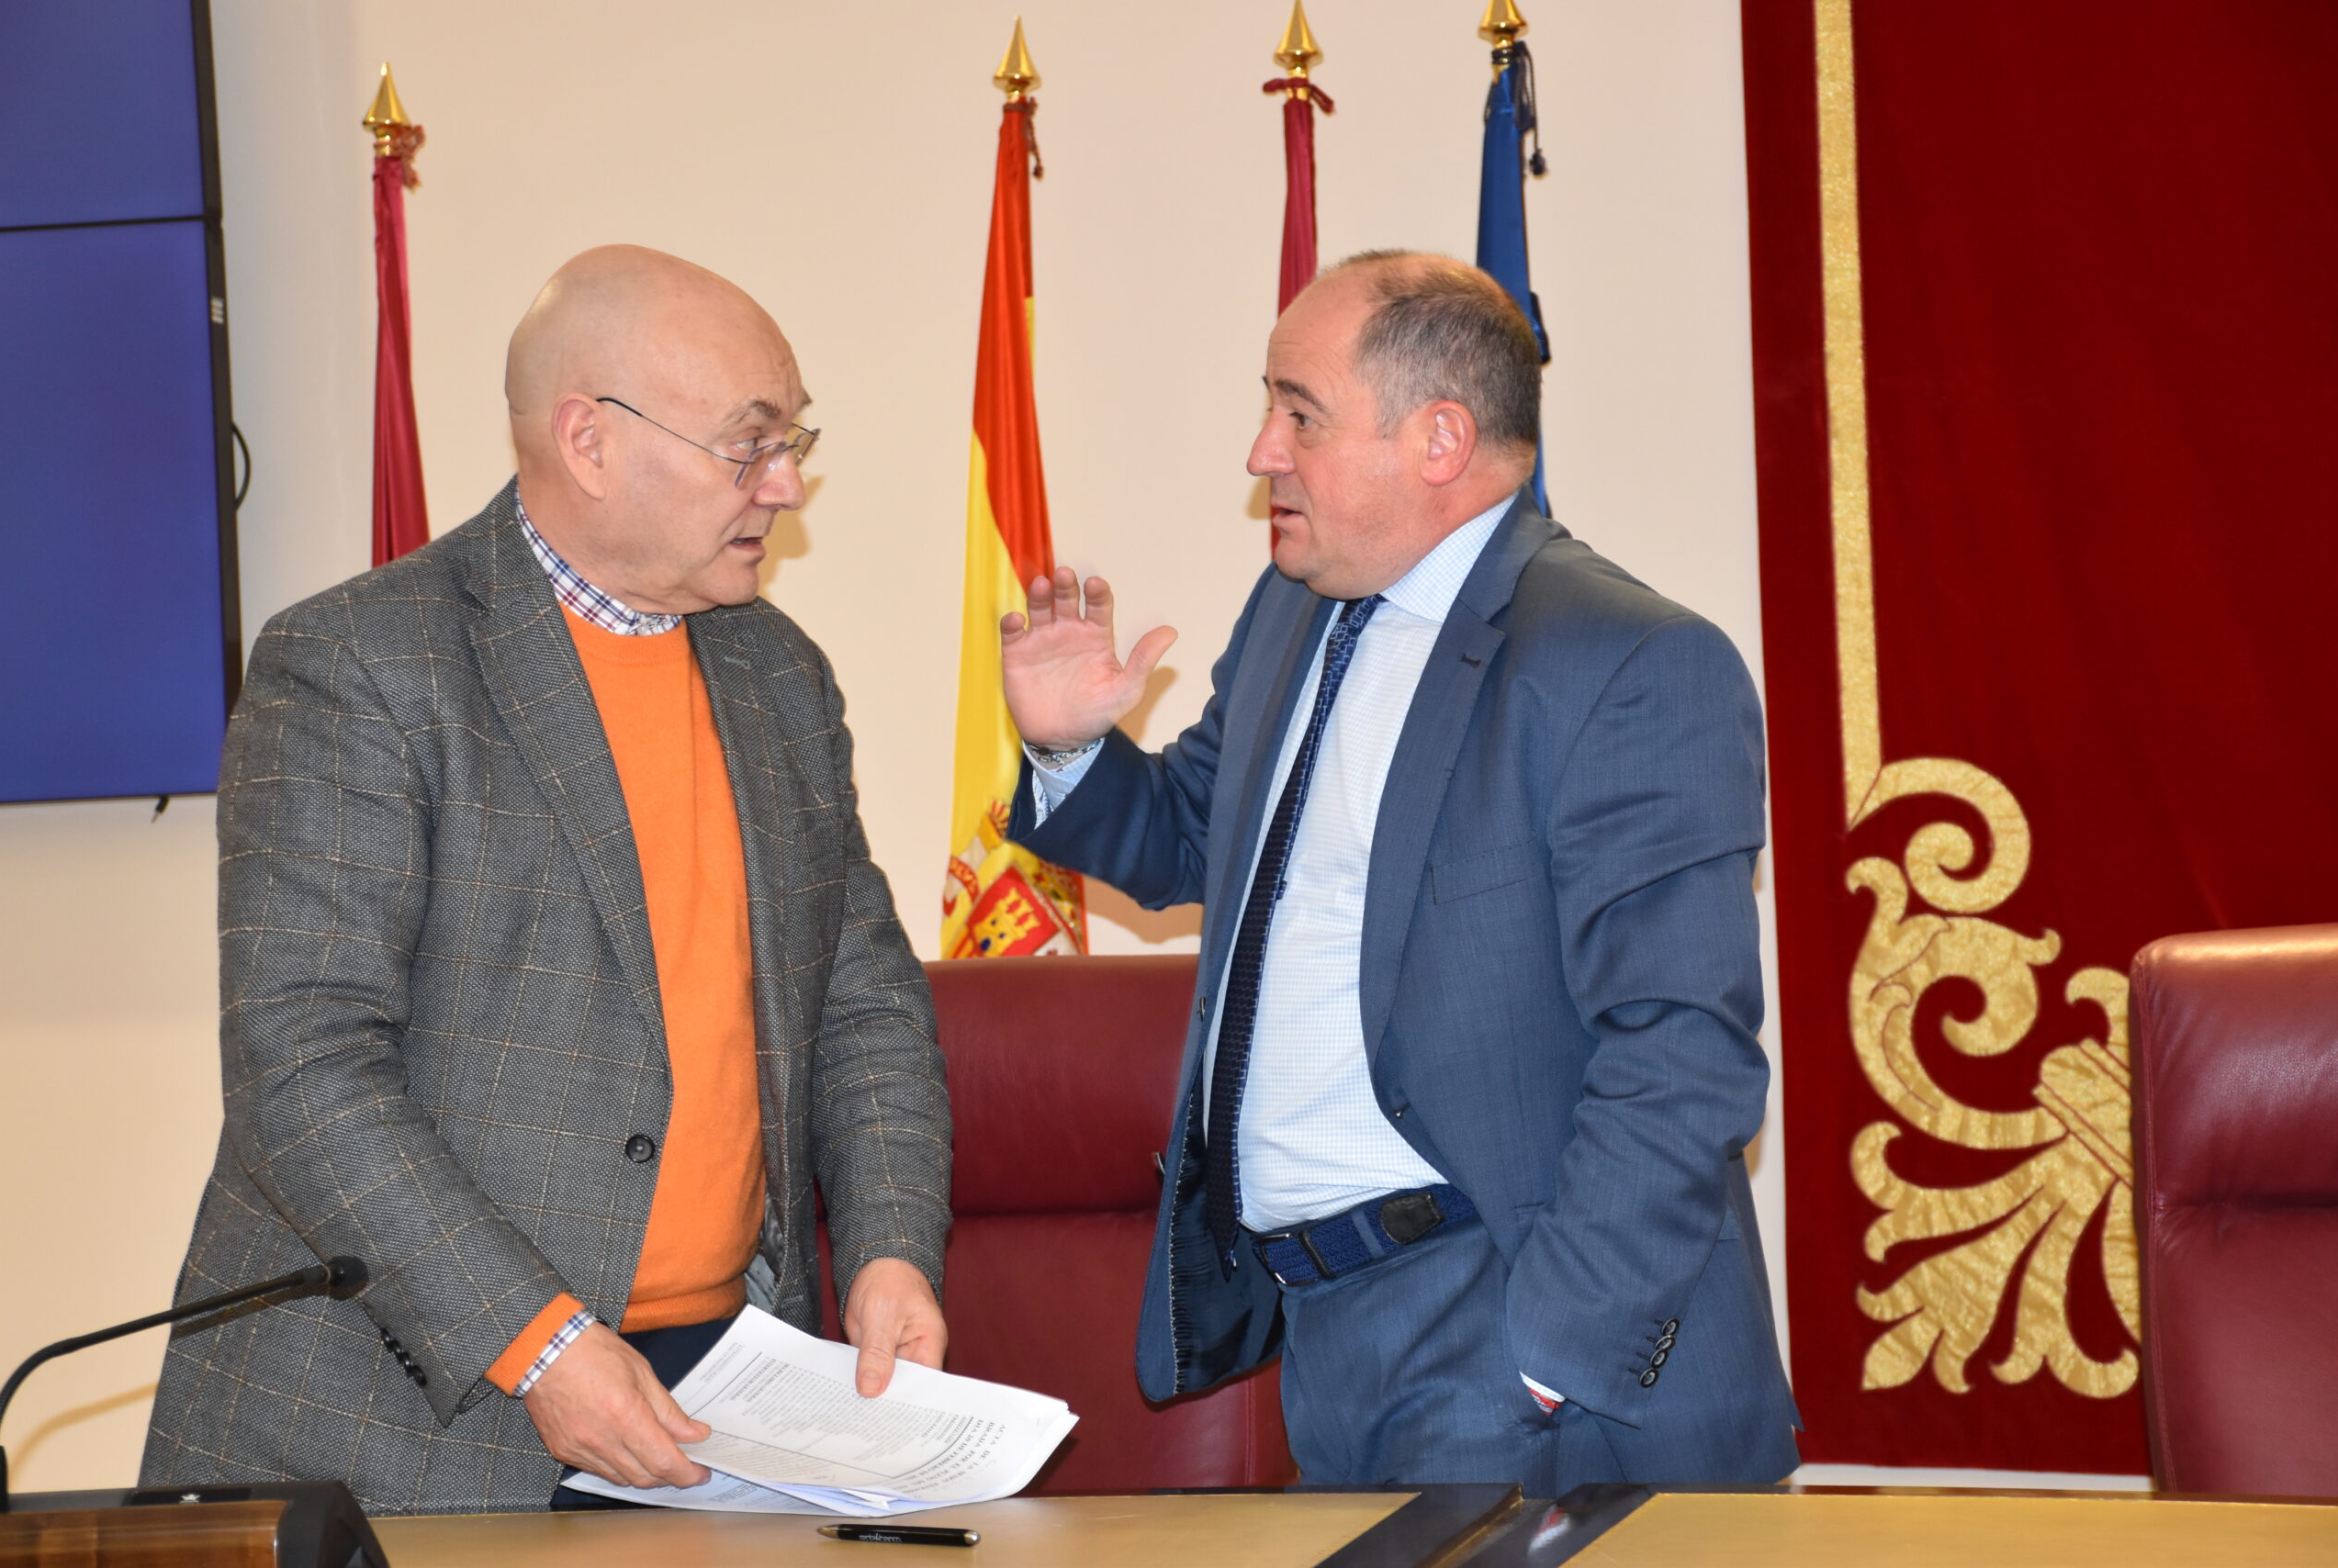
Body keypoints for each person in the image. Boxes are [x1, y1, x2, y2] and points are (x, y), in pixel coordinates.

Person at [141, 247, 951, 1517]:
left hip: (722, 1398)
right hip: (418, 1409)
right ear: (590, 439)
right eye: (749, 445)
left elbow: (862, 999)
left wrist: (895, 1245)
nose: (787, 485)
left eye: (792, 441)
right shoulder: (362, 664)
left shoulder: (776, 675)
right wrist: (541, 1339)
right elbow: (302, 1064)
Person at [999, 252, 1797, 1495]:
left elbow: (1681, 1055)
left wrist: (1541, 1359)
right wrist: (1066, 744)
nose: (1262, 450)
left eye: (1298, 413)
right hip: (1330, 1332)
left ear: (1439, 438)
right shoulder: (1295, 610)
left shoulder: (1624, 661)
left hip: (1523, 1342)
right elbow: (1191, 842)